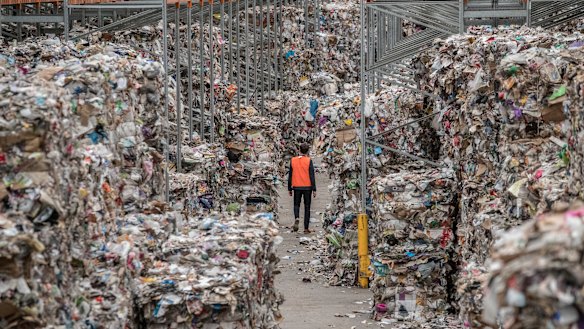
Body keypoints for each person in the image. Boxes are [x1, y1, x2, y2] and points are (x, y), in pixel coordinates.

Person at [288, 143, 317, 233]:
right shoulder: (309, 161)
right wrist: (314, 189)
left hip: (296, 186)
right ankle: (306, 228)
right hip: (307, 187)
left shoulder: (293, 160)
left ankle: (297, 217)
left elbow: (290, 175)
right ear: (307, 151)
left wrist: (289, 188)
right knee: (307, 207)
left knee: (296, 204)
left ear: (299, 150)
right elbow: (312, 175)